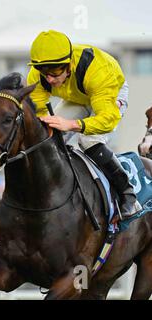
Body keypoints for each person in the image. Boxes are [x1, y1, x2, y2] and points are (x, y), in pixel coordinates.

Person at [27, 30, 141, 220]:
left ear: (69, 62)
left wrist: (71, 124)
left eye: (55, 71)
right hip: (77, 97)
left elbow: (107, 120)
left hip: (109, 95)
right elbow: (39, 112)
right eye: (44, 72)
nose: (49, 79)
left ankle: (128, 195)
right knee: (48, 139)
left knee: (88, 140)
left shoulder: (98, 71)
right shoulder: (38, 75)